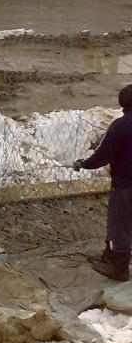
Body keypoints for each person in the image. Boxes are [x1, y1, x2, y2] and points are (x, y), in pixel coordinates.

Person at [74, 84, 132, 282]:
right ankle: (110, 256)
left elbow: (103, 155)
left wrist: (83, 164)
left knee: (120, 224)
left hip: (125, 185)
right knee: (122, 222)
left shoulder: (120, 126)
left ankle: (120, 269)